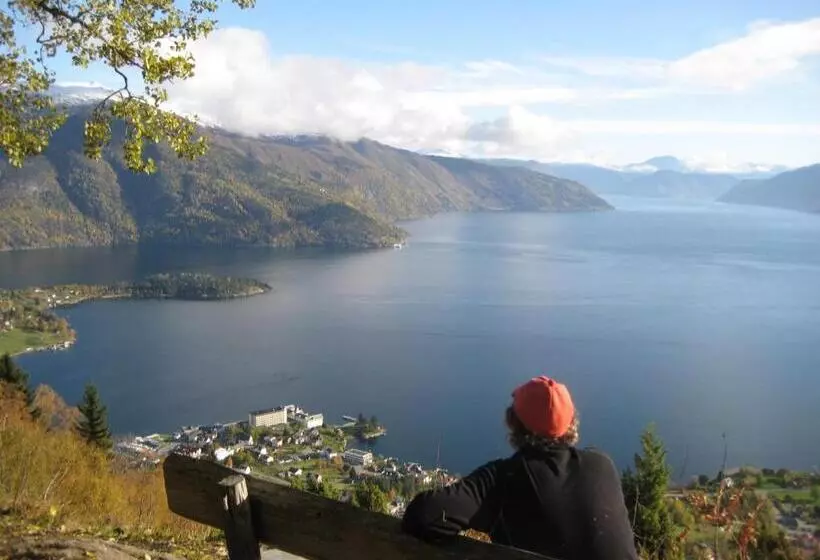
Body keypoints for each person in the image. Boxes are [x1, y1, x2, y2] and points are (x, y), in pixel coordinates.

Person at [402, 376, 638, 560]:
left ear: (513, 424)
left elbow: (422, 516)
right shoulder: (602, 465)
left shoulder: (502, 480)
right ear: (571, 423)